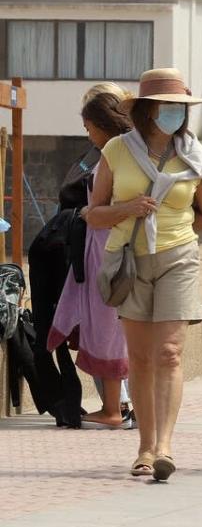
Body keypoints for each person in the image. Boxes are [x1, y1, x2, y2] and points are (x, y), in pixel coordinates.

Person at [87, 68, 202, 480]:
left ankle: (164, 446)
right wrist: (128, 210)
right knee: (141, 358)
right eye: (167, 106)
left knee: (169, 353)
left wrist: (177, 232)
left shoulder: (195, 154)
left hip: (178, 258)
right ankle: (144, 447)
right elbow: (93, 214)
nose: (175, 114)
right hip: (129, 259)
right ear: (147, 109)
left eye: (180, 107)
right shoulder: (116, 150)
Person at [46, 87, 134, 429]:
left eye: (89, 128)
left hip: (108, 253)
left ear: (102, 124)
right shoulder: (126, 152)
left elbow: (102, 211)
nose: (88, 135)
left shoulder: (113, 156)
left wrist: (86, 214)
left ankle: (116, 408)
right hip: (104, 250)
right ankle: (126, 406)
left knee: (108, 330)